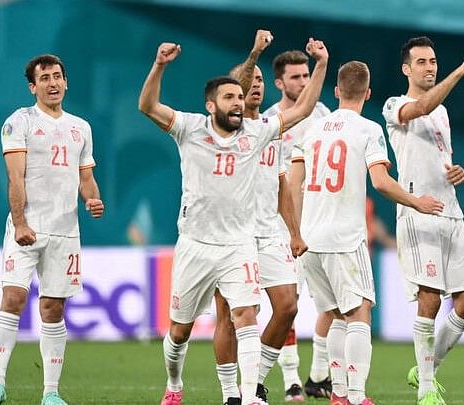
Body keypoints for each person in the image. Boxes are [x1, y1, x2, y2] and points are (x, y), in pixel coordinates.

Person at [137, 35, 328, 405]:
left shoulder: (257, 133)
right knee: (179, 330)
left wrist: (321, 64)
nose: (239, 102)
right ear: (211, 106)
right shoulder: (189, 128)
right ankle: (174, 384)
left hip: (239, 244)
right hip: (196, 242)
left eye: (240, 97)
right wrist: (159, 65)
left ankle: (241, 396)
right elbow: (146, 105)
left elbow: (303, 109)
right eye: (231, 97)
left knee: (246, 315)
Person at [291, 60, 443, 405]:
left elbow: (293, 182)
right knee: (359, 312)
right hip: (345, 238)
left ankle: (340, 394)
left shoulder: (310, 129)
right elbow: (380, 181)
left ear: (335, 91)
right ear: (368, 93)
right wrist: (416, 201)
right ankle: (357, 396)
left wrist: (296, 231)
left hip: (311, 239)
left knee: (335, 315)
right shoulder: (368, 129)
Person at [0, 54, 104, 405]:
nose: (52, 83)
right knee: (13, 298)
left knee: (53, 308)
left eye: (58, 76)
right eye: (44, 78)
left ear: (66, 82)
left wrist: (93, 200)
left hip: (65, 232)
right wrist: (19, 222)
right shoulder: (20, 122)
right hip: (27, 228)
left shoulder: (81, 127)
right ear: (33, 87)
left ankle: (50, 393)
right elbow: (15, 177)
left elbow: (87, 178)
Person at [381, 36, 464, 405]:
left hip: (450, 210)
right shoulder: (395, 104)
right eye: (422, 62)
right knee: (429, 299)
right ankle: (426, 389)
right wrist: (459, 71)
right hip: (417, 210)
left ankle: (426, 368)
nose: (430, 66)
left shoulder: (442, 112)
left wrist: (455, 171)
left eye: (434, 61)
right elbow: (421, 107)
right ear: (406, 69)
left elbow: (439, 154)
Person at [210, 30, 309, 405]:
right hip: (229, 233)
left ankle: (256, 381)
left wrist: (294, 232)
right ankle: (231, 394)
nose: (255, 86)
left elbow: (282, 185)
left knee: (287, 305)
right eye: (247, 82)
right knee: (233, 317)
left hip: (269, 232)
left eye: (260, 81)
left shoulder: (272, 128)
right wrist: (253, 54)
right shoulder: (223, 130)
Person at [263, 49, 334, 400]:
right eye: (295, 77)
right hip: (283, 226)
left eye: (307, 75)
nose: (303, 82)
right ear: (280, 82)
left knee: (332, 303)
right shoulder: (268, 121)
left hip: (322, 221)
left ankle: (319, 375)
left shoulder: (323, 115)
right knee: (287, 304)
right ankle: (290, 377)